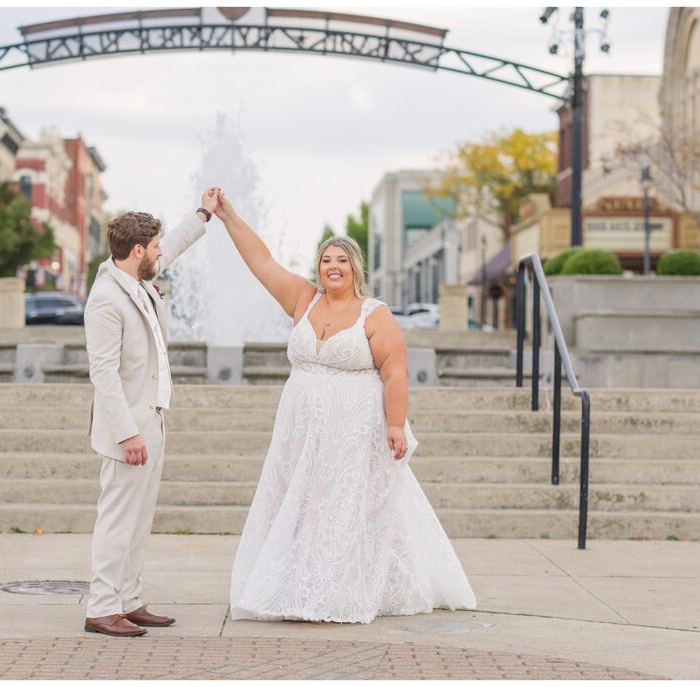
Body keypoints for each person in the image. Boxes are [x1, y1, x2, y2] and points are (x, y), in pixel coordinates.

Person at [216, 191, 477, 623]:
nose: (332, 267)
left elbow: (395, 370)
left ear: (355, 267)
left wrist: (395, 426)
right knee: (297, 503)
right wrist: (230, 217)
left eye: (341, 260)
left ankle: (336, 590)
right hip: (299, 428)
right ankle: (293, 586)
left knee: (338, 505)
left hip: (353, 428)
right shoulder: (304, 300)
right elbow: (262, 262)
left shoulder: (373, 314)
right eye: (325, 260)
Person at [83, 188, 220, 638]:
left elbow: (176, 243)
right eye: (155, 246)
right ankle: (102, 607)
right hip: (129, 429)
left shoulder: (138, 280)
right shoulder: (106, 298)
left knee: (140, 521)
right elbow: (103, 375)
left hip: (154, 418)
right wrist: (127, 434)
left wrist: (203, 214)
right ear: (137, 250)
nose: (161, 252)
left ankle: (129, 599)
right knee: (118, 518)